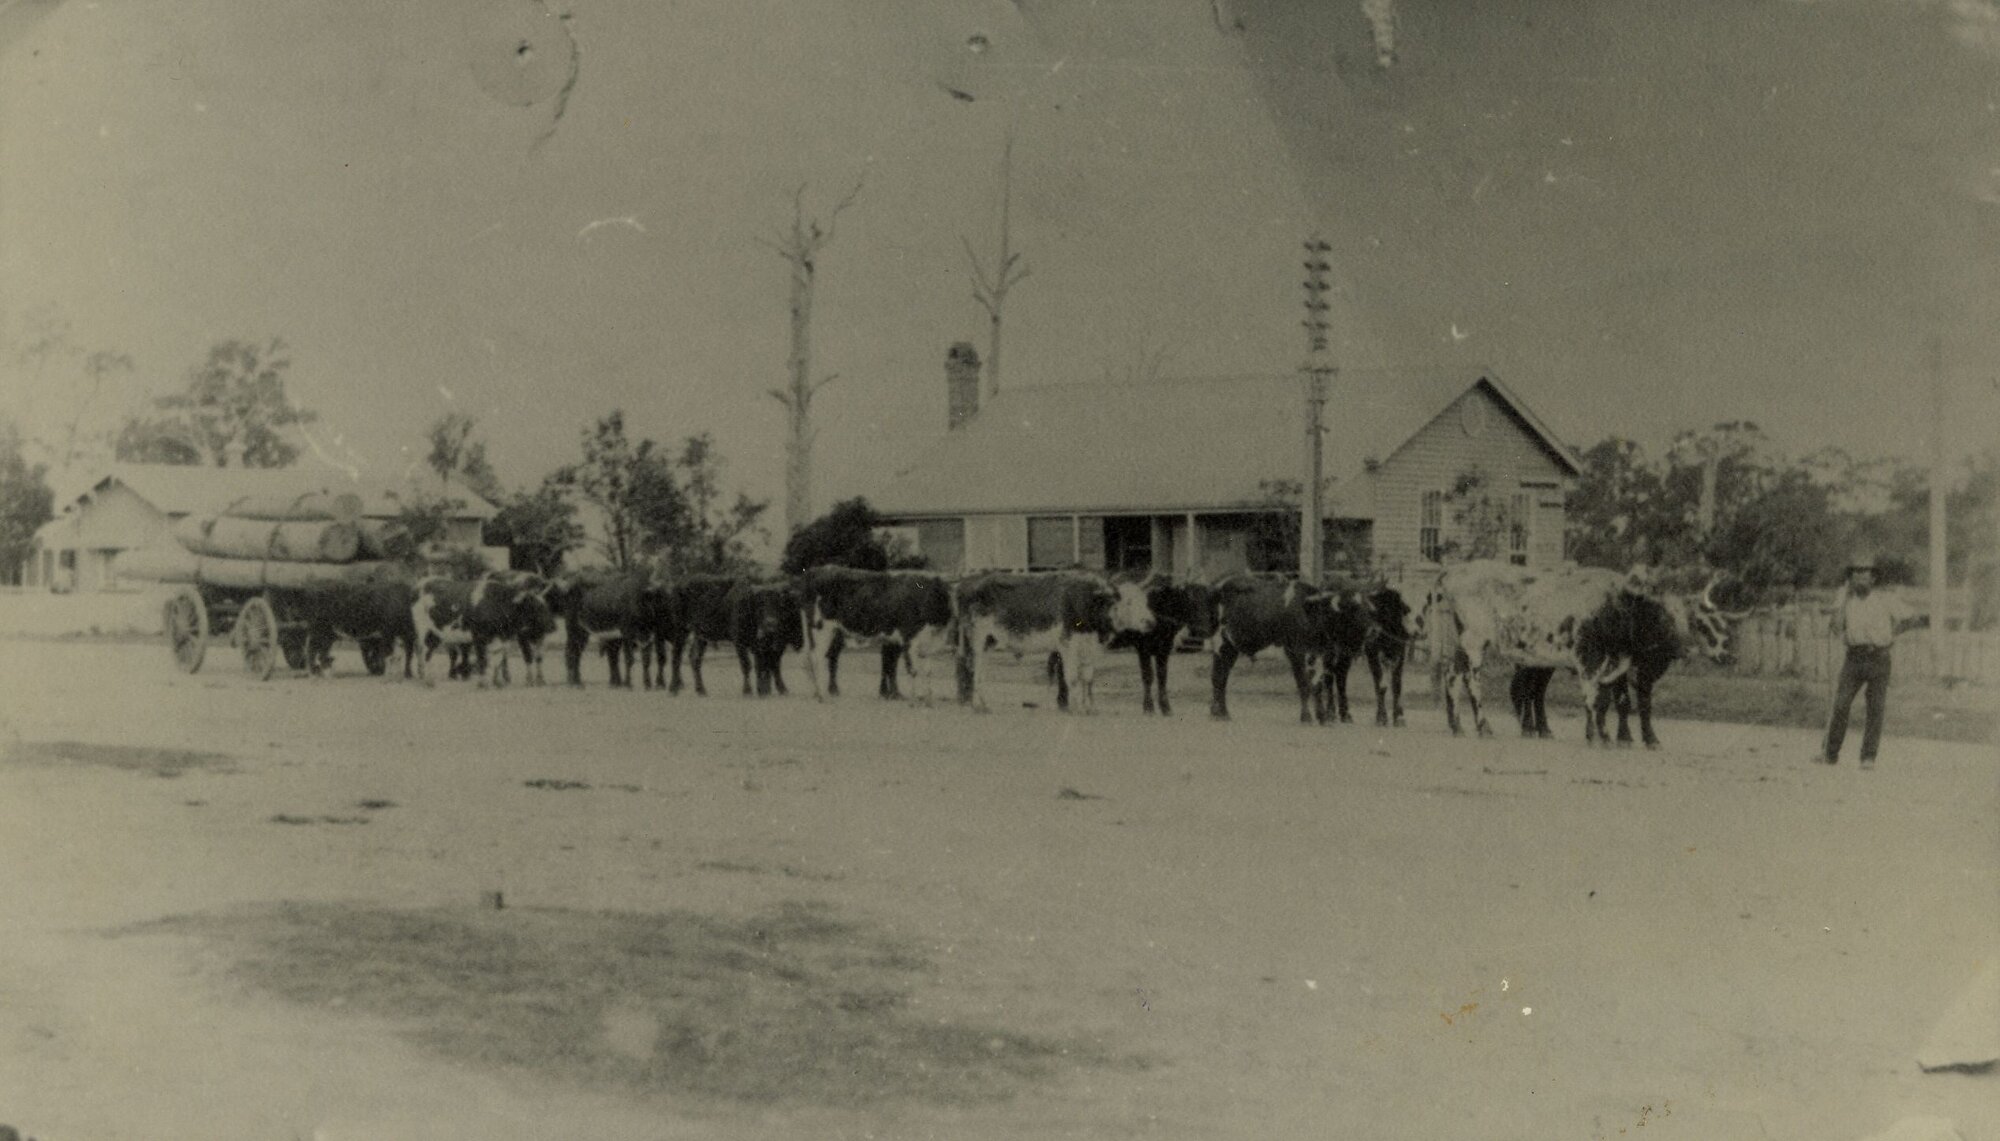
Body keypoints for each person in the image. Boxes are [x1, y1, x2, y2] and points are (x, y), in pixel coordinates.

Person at [1817, 554, 1927, 769]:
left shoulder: (1886, 599)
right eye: (1855, 572)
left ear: (1873, 578)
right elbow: (1836, 628)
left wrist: (1894, 633)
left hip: (1879, 657)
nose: (1860, 577)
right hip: (1854, 658)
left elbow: (1913, 618)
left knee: (1875, 708)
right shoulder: (1846, 600)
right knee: (1840, 705)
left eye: (1865, 572)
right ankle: (1830, 754)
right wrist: (1841, 602)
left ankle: (1868, 757)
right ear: (1850, 577)